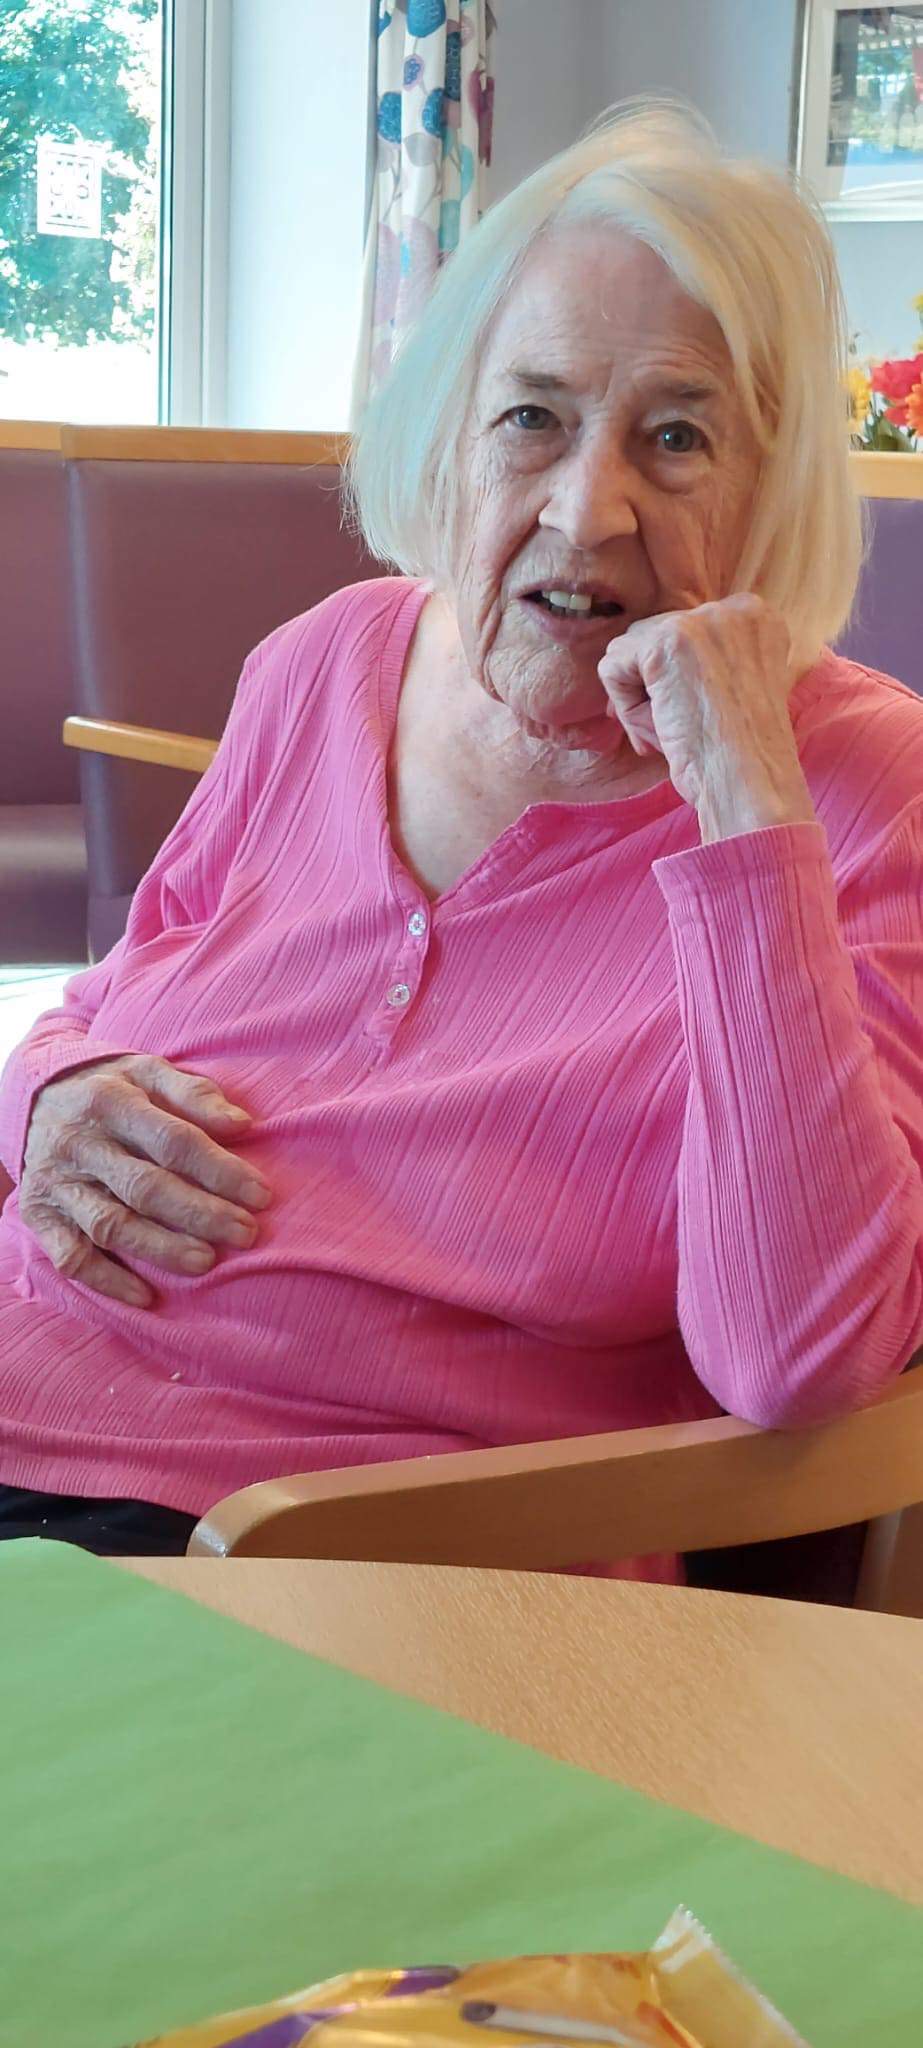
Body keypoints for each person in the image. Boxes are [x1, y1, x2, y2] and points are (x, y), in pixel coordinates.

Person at [1, 102, 922, 1567]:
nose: (587, 508)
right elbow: (122, 992)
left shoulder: (865, 786)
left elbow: (801, 1355)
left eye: (676, 437)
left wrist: (747, 803)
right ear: (456, 429)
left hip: (323, 1556)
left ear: (776, 486)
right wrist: (48, 1094)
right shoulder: (329, 660)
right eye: (533, 416)